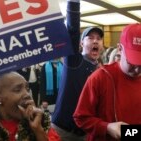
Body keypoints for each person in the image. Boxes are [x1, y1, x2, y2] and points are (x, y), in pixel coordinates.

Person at [73, 23, 141, 141]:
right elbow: (80, 117)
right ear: (119, 48)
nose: (137, 69)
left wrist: (129, 134)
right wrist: (107, 127)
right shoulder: (100, 77)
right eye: (133, 61)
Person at [51, 0, 104, 141]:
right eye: (90, 38)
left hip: (85, 132)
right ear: (81, 43)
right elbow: (73, 31)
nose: (95, 41)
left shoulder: (101, 69)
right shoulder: (74, 60)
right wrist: (74, 4)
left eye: (99, 39)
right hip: (63, 129)